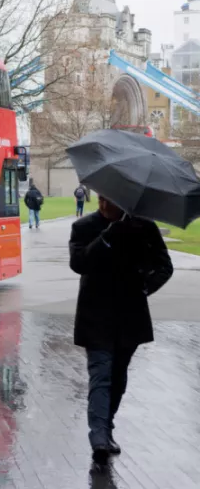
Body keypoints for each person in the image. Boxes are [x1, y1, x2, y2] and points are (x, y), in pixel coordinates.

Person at [69, 195, 173, 470]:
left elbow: (164, 266)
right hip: (96, 316)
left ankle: (107, 425)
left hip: (129, 316)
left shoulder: (143, 227)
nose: (104, 204)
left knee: (118, 376)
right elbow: (79, 263)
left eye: (111, 200)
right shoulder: (84, 227)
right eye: (101, 198)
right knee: (100, 374)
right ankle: (99, 438)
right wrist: (106, 236)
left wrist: (145, 287)